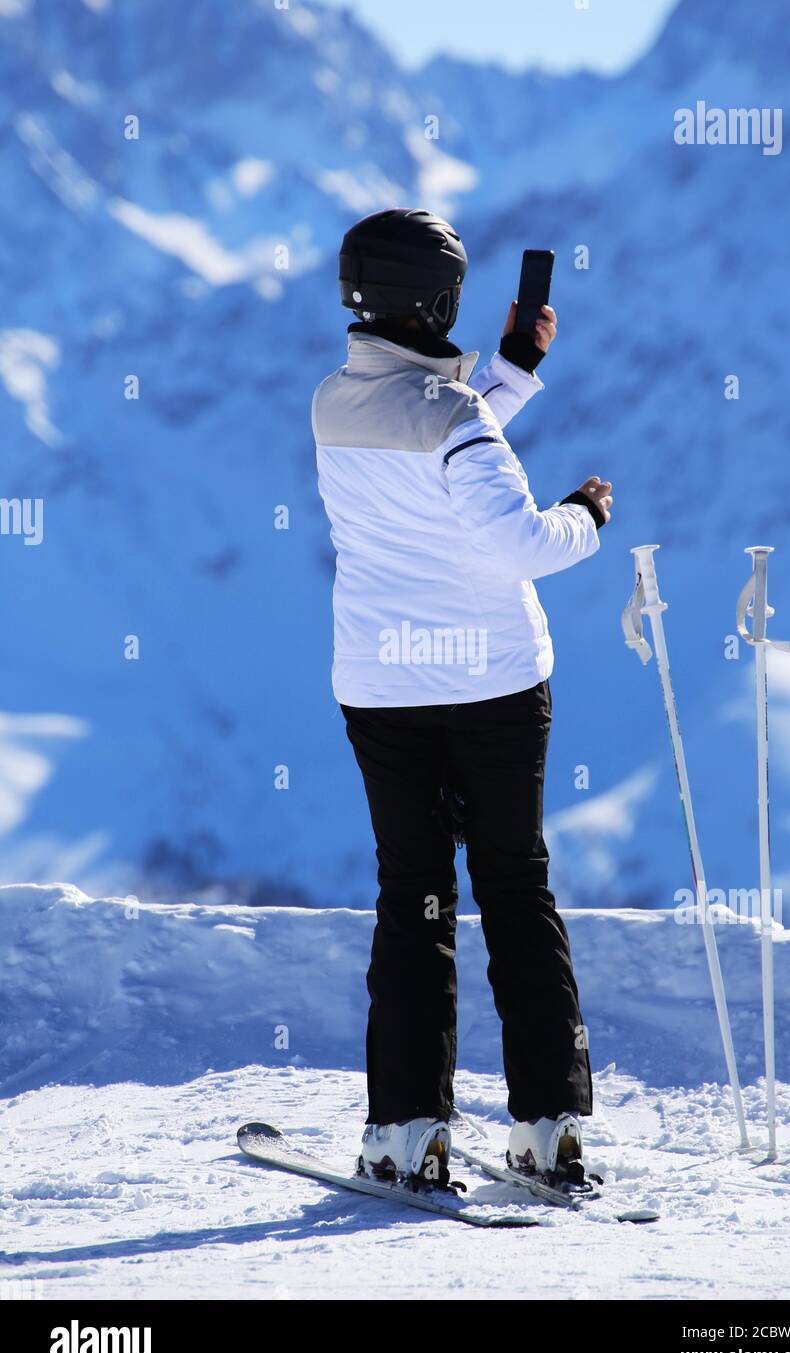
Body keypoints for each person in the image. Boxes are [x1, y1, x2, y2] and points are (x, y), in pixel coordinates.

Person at [312, 208, 612, 1188]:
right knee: (514, 891)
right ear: (433, 297)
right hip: (490, 687)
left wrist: (511, 371)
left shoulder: (333, 406)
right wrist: (581, 515)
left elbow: (432, 432)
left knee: (415, 899)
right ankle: (548, 1132)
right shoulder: (454, 422)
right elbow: (512, 533)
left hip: (383, 691)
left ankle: (403, 1135)